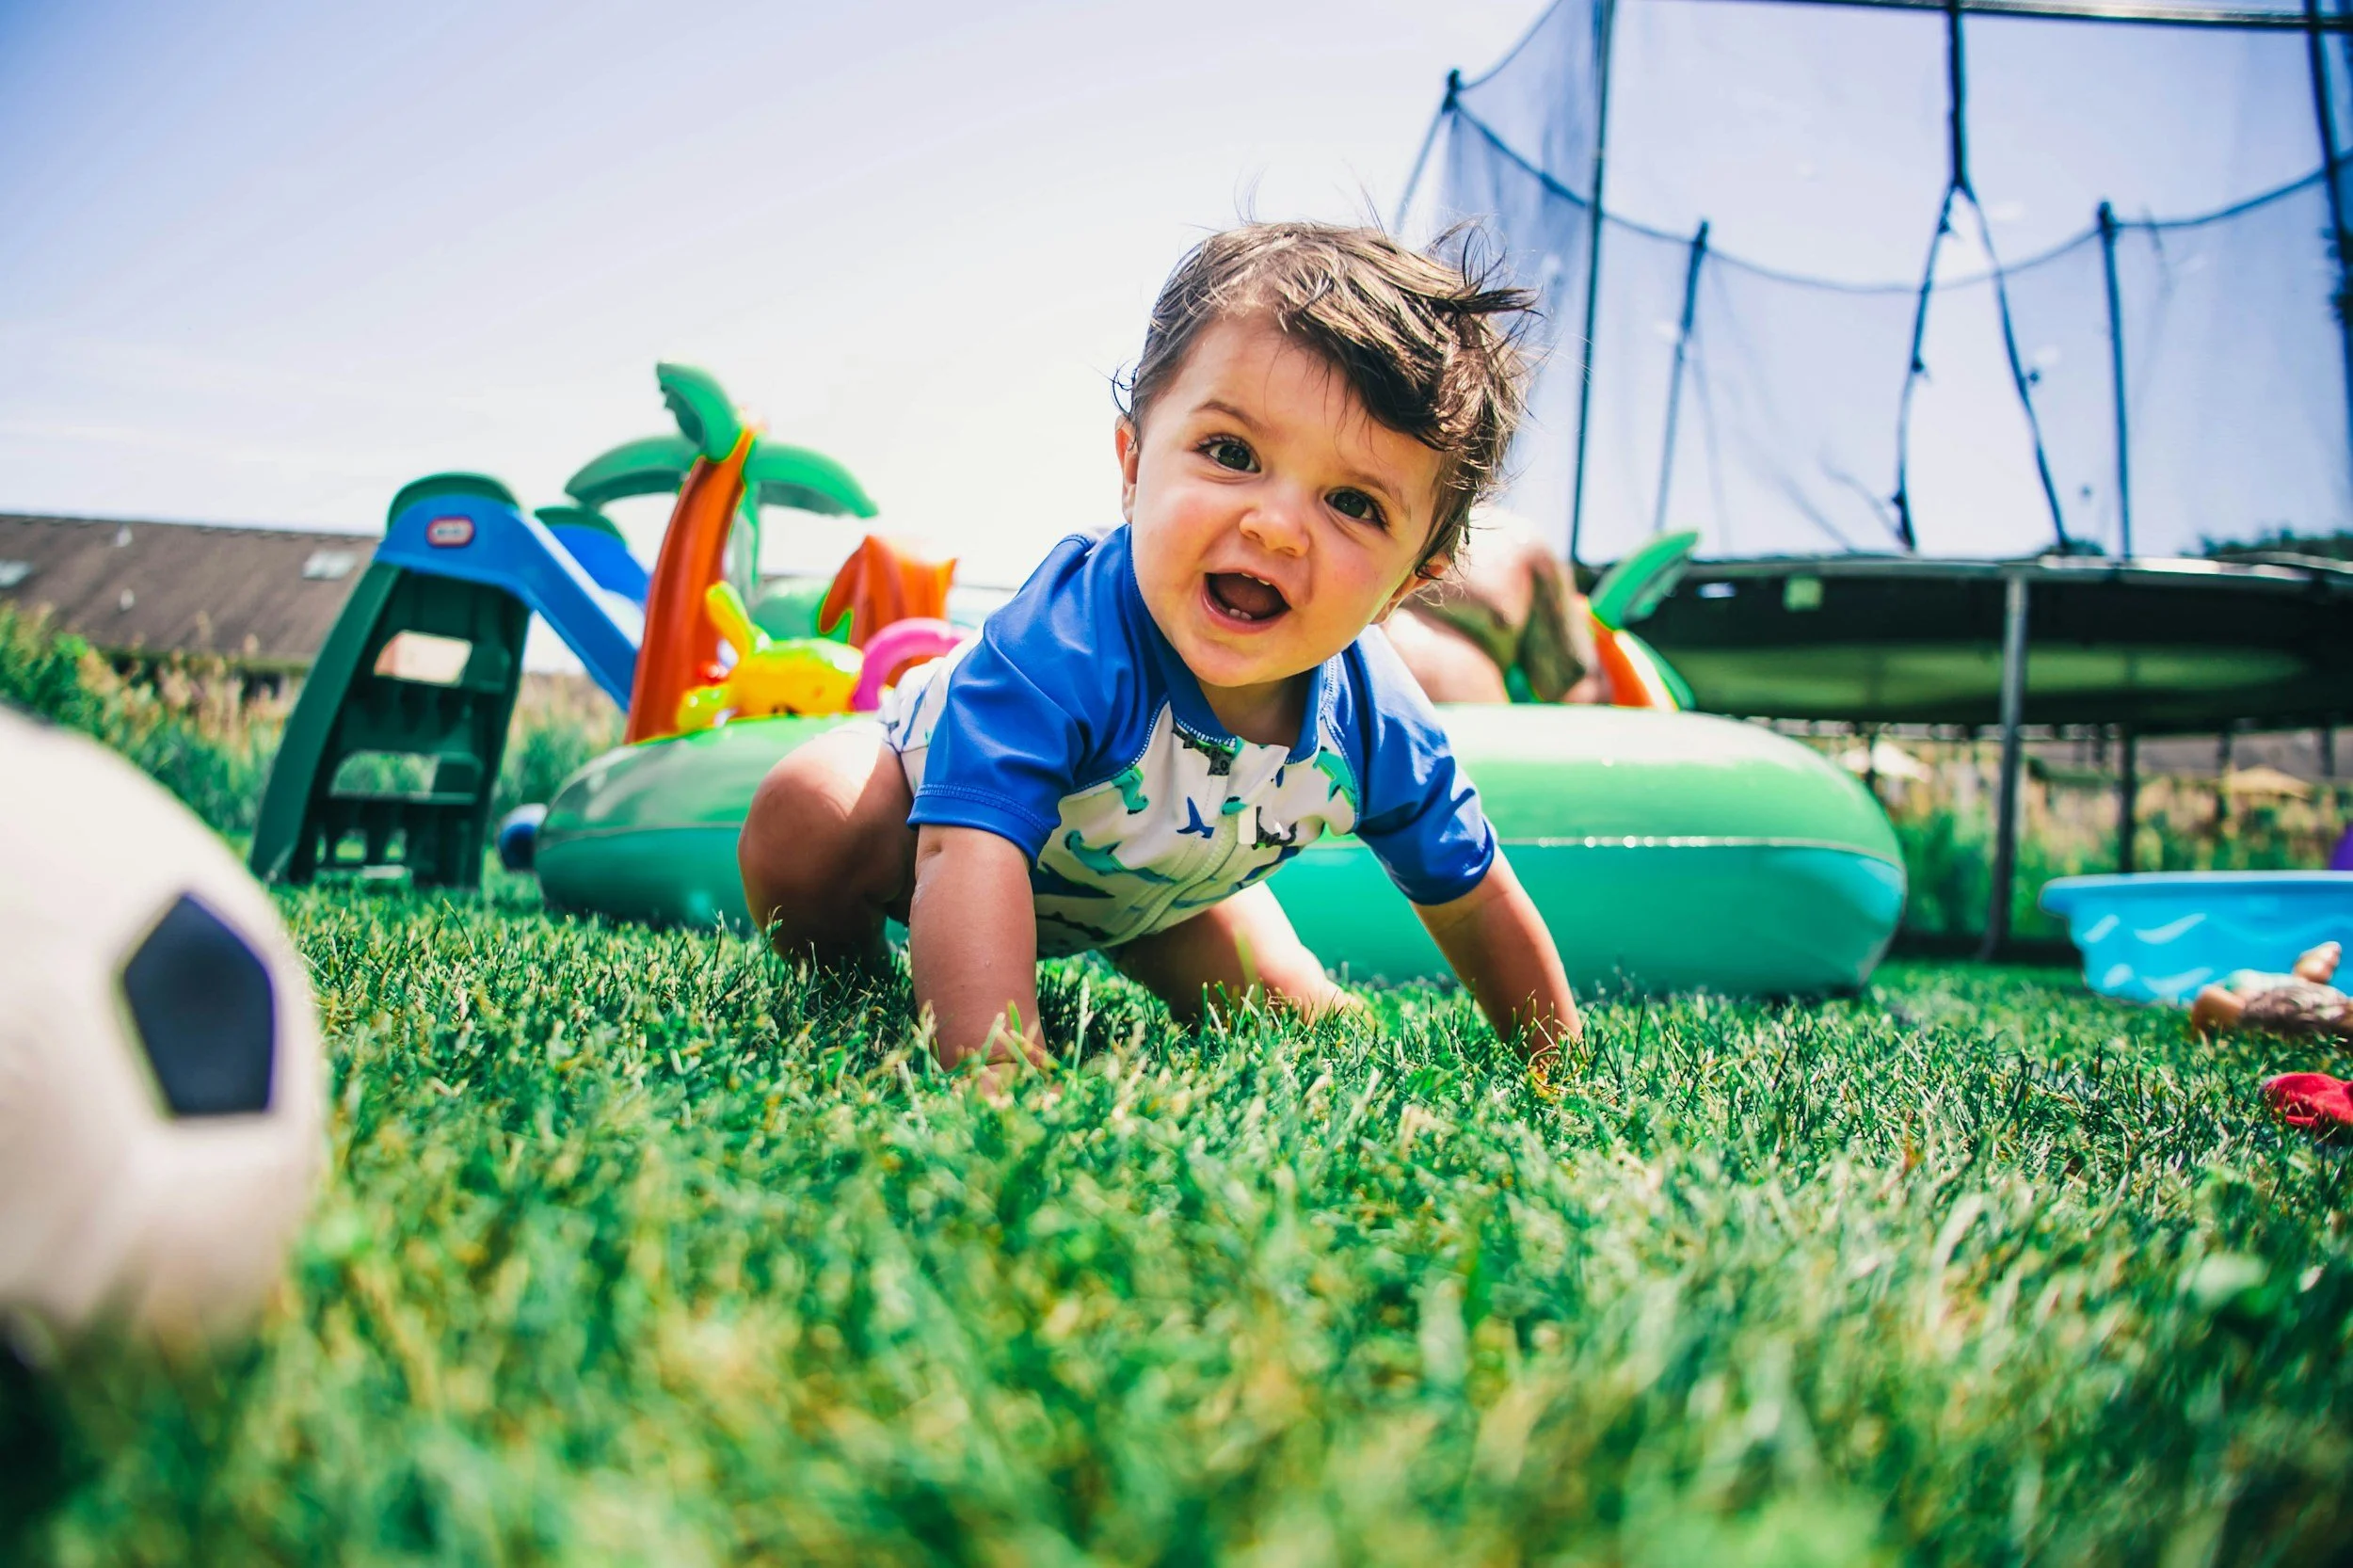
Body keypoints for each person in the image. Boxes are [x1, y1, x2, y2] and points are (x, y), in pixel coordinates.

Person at [737, 222, 1581, 1083]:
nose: (1276, 526)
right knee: (808, 814)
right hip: (931, 820)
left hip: (1156, 887)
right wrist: (997, 1079)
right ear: (1134, 465)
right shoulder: (1067, 641)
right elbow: (965, 852)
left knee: (1292, 1020)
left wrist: (1559, 1069)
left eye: (1354, 504)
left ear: (1407, 583)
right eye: (1232, 454)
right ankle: (851, 979)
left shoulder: (1374, 716)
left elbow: (1476, 897)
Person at [1384, 514, 1606, 705]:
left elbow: (1578, 689)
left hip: (1477, 744)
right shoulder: (1360, 512)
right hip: (1356, 737)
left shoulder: (1518, 541)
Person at [2190, 942, 2352, 1040]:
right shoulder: (2276, 982)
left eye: (2332, 967)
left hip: (2261, 1011)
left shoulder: (2330, 996)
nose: (2334, 957)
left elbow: (2208, 996)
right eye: (2321, 959)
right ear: (2300, 960)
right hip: (2252, 1002)